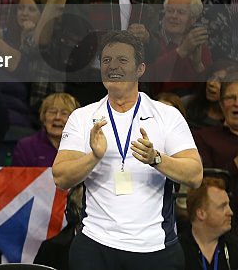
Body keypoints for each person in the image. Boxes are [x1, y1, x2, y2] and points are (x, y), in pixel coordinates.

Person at [52, 31, 203, 270]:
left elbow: (195, 176)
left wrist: (156, 159)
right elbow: (60, 177)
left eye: (122, 60)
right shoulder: (82, 117)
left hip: (155, 248)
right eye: (106, 60)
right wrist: (94, 157)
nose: (113, 66)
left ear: (140, 69)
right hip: (95, 245)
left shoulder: (167, 115)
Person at [179, 178, 238, 270]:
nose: (230, 212)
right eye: (222, 207)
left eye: (228, 205)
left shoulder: (234, 248)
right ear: (201, 214)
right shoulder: (177, 252)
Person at [12, 92, 79, 167]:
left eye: (64, 113)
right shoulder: (25, 147)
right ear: (43, 117)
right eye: (52, 112)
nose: (57, 117)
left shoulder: (83, 147)